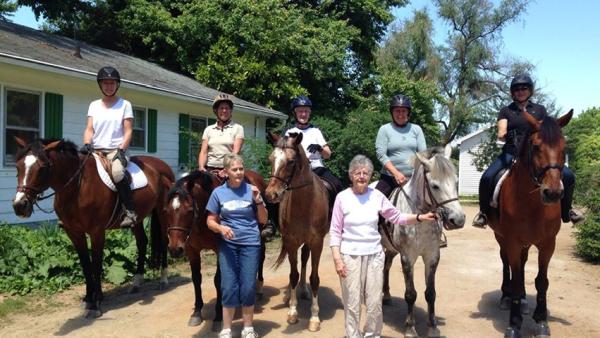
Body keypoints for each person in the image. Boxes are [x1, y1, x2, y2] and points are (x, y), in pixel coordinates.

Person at [330, 155, 436, 338]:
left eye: (365, 173)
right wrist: (338, 259)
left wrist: (419, 217)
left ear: (370, 176)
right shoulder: (342, 198)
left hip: (374, 256)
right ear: (350, 175)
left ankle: (372, 335)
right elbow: (335, 231)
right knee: (352, 302)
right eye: (357, 173)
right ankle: (352, 335)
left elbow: (397, 217)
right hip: (350, 257)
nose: (362, 176)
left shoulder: (377, 196)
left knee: (374, 303)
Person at [473, 74, 585, 228]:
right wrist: (502, 133)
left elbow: (547, 130)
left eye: (524, 88)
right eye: (517, 89)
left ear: (530, 90)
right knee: (487, 177)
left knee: (568, 175)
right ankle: (483, 214)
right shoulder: (506, 111)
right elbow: (502, 127)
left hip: (536, 154)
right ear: (513, 92)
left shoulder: (539, 109)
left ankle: (568, 211)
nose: (521, 91)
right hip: (511, 153)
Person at [206, 154, 267, 338]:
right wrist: (221, 228)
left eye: (241, 168)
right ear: (226, 172)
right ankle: (226, 329)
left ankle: (248, 328)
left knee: (248, 286)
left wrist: (258, 200)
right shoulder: (218, 193)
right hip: (228, 246)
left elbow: (263, 220)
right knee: (228, 286)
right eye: (234, 169)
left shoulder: (252, 190)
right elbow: (210, 221)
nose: (239, 172)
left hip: (251, 244)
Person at [81, 66, 136, 228]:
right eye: (105, 83)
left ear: (117, 85)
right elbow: (90, 129)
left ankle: (130, 212)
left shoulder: (125, 105)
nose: (109, 86)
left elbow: (128, 131)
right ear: (100, 85)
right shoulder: (94, 105)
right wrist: (86, 143)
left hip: (116, 151)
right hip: (96, 150)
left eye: (112, 83)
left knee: (118, 173)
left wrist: (121, 149)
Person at [283, 95, 344, 204]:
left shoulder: (316, 131)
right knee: (276, 189)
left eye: (306, 111)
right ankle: (273, 219)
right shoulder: (289, 132)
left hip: (316, 167)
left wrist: (320, 148)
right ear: (295, 113)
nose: (303, 114)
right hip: (296, 169)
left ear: (309, 113)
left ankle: (336, 215)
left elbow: (327, 155)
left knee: (337, 184)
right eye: (300, 111)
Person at [375, 94, 427, 197]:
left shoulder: (416, 129)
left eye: (403, 111)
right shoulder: (384, 129)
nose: (400, 114)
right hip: (390, 178)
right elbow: (381, 154)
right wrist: (396, 173)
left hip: (414, 178)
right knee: (375, 201)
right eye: (397, 111)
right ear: (392, 112)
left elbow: (423, 154)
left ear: (408, 112)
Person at [198, 93, 244, 178]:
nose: (224, 111)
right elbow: (203, 152)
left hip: (230, 169)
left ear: (231, 111)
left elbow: (235, 152)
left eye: (227, 108)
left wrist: (227, 169)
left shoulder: (238, 128)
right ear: (216, 111)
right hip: (210, 169)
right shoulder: (208, 129)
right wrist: (201, 167)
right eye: (221, 108)